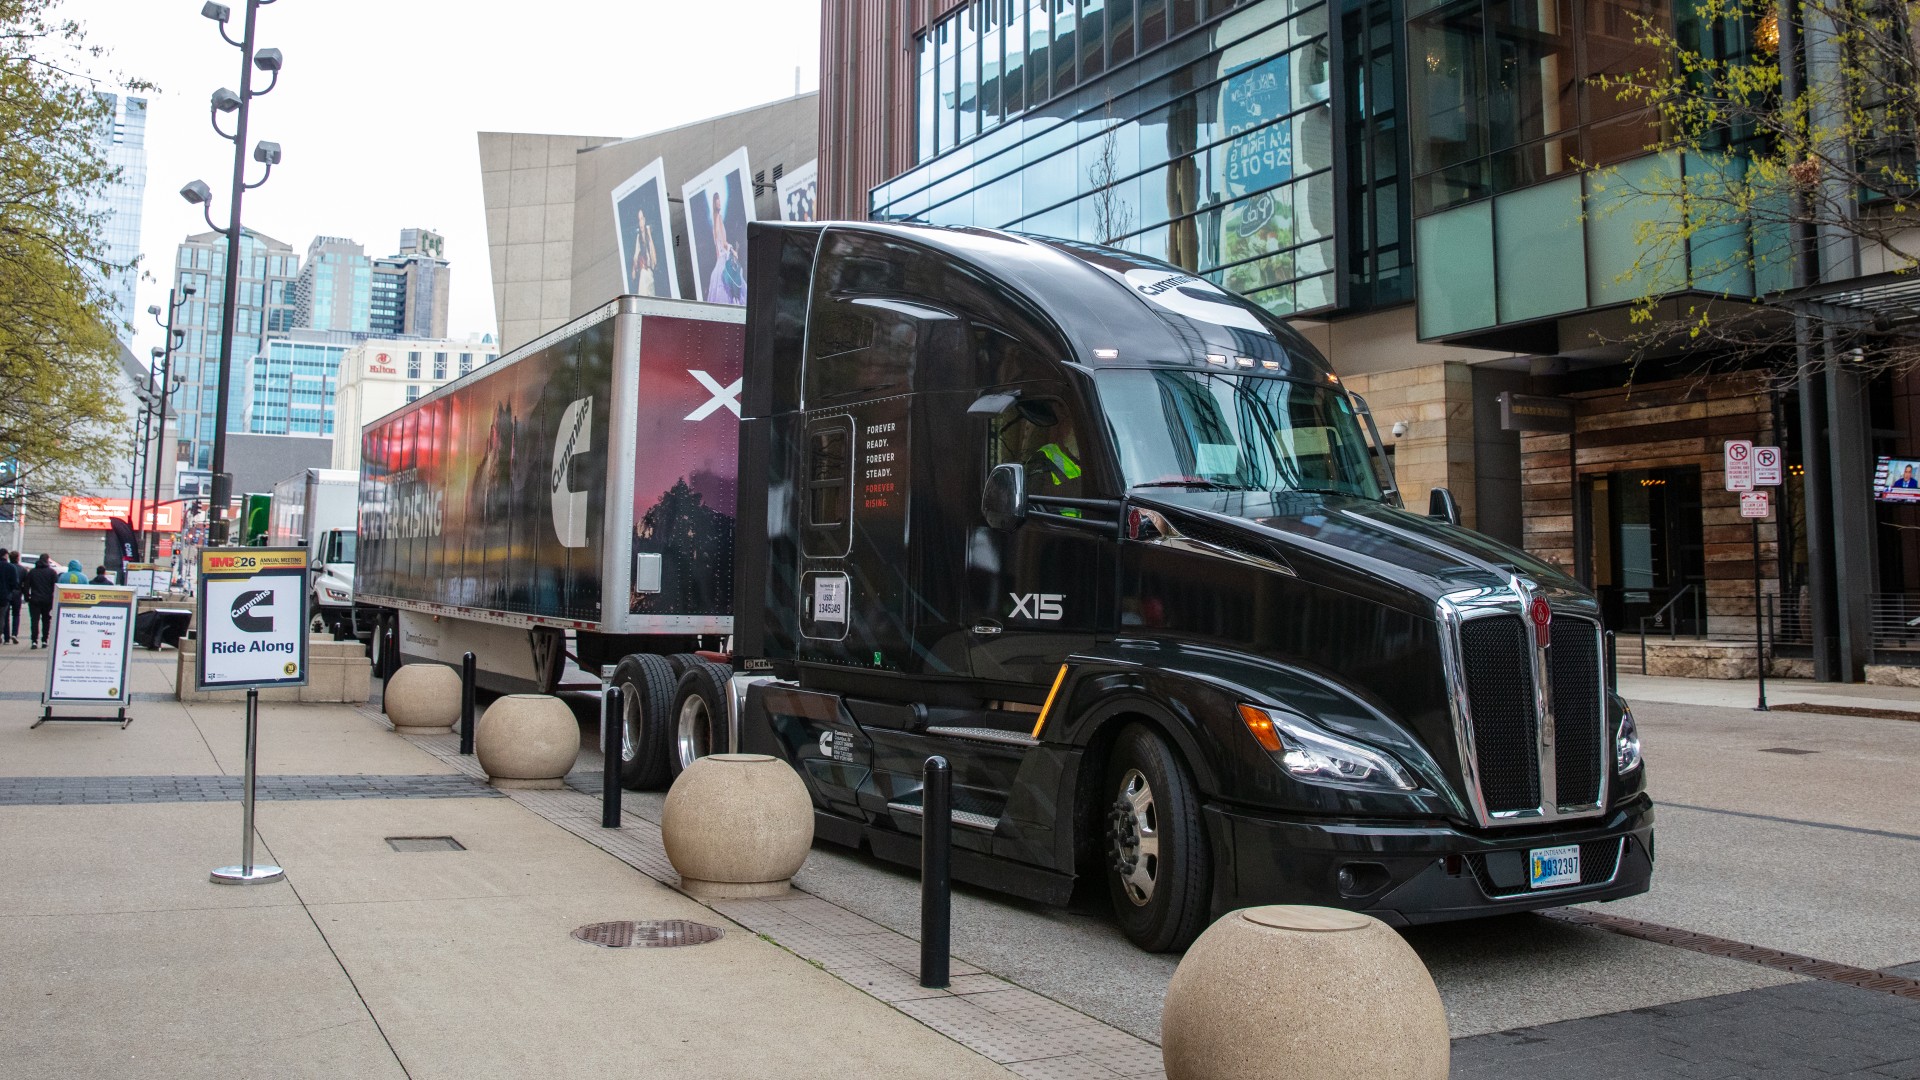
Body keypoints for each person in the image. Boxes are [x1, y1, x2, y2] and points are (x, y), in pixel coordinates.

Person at [706, 199, 745, 305]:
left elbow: (717, 249)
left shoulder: (714, 222)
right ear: (715, 204)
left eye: (720, 202)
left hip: (719, 260)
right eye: (718, 202)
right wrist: (732, 250)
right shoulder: (719, 218)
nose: (720, 204)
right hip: (723, 258)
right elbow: (723, 243)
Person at [24, 554, 56, 648]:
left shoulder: (32, 572)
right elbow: (55, 586)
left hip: (34, 600)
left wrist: (27, 597)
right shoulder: (52, 572)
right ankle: (44, 640)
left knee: (34, 620)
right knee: (46, 620)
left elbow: (26, 586)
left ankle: (34, 641)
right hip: (47, 600)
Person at [2, 550, 21, 644]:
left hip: (6, 594)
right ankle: (14, 633)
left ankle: (6, 637)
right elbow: (21, 584)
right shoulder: (21, 569)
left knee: (5, 616)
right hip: (16, 594)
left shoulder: (8, 567)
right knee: (16, 614)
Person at [0, 548, 14, 644]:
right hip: (4, 596)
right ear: (5, 555)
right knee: (2, 617)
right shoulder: (10, 567)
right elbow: (14, 583)